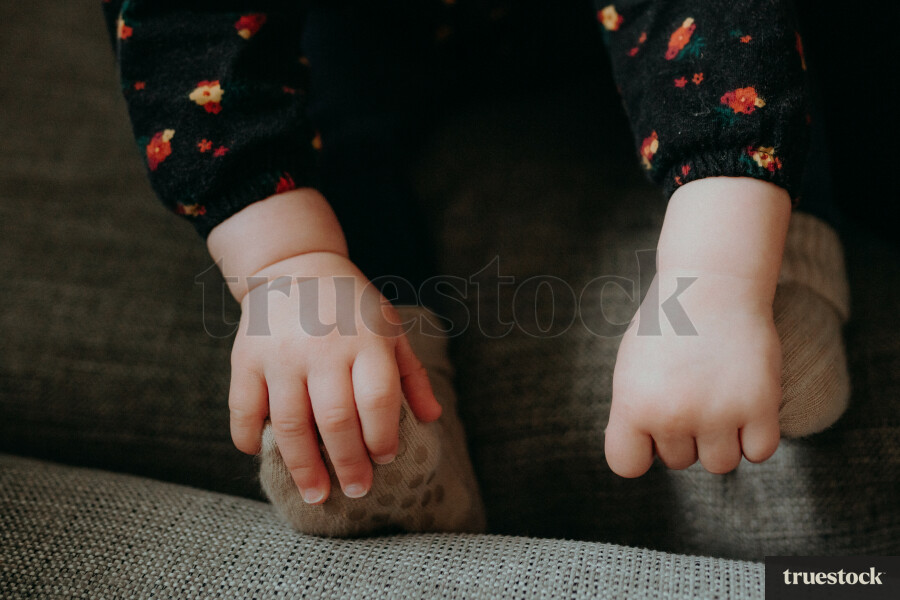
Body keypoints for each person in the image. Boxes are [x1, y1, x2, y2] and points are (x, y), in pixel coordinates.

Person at [101, 0, 850, 536]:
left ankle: (782, 276)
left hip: (631, 31)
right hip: (351, 30)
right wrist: (287, 266)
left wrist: (718, 276)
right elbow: (189, 36)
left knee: (785, 51)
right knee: (323, 138)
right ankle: (391, 423)